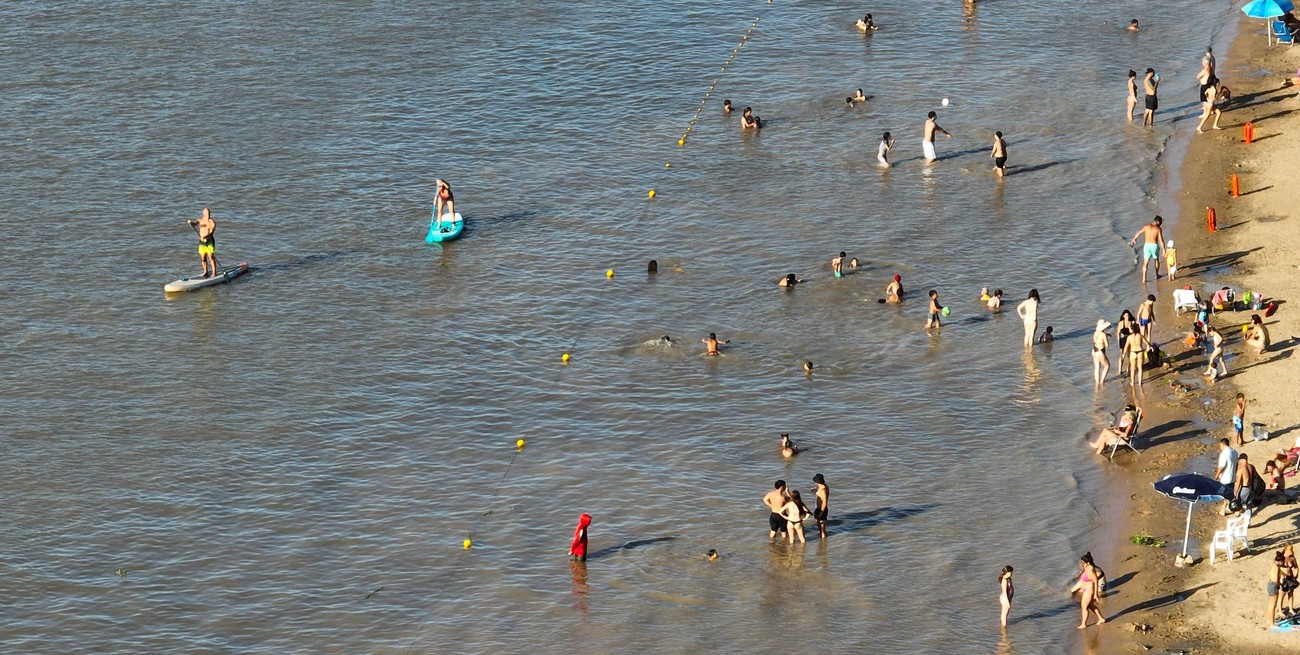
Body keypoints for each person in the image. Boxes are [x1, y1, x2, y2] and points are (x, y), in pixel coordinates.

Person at [1070, 553, 1106, 628]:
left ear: (1088, 563)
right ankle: (1101, 618)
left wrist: (1095, 594)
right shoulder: (1086, 568)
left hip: (1089, 590)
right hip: (1086, 590)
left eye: (1083, 563)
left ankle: (1083, 624)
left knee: (1084, 607)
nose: (1082, 564)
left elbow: (1095, 581)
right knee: (1091, 606)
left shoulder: (1090, 569)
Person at [1129, 216, 1166, 282]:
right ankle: (1157, 275)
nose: (1161, 223)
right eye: (1160, 222)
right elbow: (1161, 240)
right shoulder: (1158, 229)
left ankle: (1144, 279)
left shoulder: (1146, 227)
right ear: (1158, 222)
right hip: (1154, 246)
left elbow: (1138, 233)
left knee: (1145, 263)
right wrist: (1163, 249)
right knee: (1156, 260)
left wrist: (1134, 239)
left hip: (1147, 246)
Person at [187, 207, 218, 278]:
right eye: (206, 213)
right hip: (201, 241)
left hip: (209, 240)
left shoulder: (212, 222)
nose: (208, 214)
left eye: (209, 213)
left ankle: (214, 273)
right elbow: (195, 224)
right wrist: (191, 223)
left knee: (211, 257)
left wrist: (204, 237)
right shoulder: (200, 220)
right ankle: (205, 272)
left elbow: (211, 232)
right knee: (203, 258)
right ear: (203, 213)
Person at [1214, 438, 1239, 512]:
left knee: (1226, 494)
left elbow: (1221, 467)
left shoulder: (1224, 454)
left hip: (1225, 478)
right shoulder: (1234, 452)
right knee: (1230, 492)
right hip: (1233, 477)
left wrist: (1216, 475)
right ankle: (1224, 508)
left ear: (1222, 444)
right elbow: (1236, 464)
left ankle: (1235, 509)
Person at [1092, 320, 1112, 387]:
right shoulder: (1103, 335)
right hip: (1100, 352)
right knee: (1107, 366)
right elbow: (1107, 345)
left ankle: (1097, 384)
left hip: (1094, 350)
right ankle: (1101, 382)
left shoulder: (1095, 333)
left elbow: (1095, 341)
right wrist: (1106, 338)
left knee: (1097, 368)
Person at [1269, 550, 1286, 625]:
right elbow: (1275, 579)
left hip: (1270, 584)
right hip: (1273, 585)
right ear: (1280, 561)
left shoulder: (1274, 565)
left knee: (1270, 605)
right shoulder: (1276, 567)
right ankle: (1272, 624)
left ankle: (1269, 621)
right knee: (1273, 605)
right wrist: (1280, 584)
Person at [811, 473, 829, 539]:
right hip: (818, 508)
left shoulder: (823, 489)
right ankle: (822, 540)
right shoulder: (822, 486)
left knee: (822, 528)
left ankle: (823, 542)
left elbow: (824, 502)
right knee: (819, 526)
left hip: (821, 509)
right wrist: (815, 491)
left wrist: (821, 512)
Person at [1282, 544, 1298, 616]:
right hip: (1284, 578)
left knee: (1291, 594)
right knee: (1282, 595)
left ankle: (1291, 609)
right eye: (1290, 549)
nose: (1291, 550)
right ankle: (1279, 609)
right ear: (1285, 549)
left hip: (1291, 578)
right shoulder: (1281, 557)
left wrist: (1296, 574)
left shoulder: (1292, 558)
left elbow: (1296, 567)